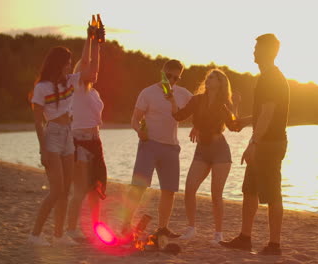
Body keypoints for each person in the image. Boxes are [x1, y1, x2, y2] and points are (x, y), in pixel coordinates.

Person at [28, 25, 100, 246]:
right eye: (67, 62)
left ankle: (58, 236)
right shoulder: (42, 87)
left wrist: (93, 40)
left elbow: (91, 69)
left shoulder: (69, 81)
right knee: (56, 190)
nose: (70, 65)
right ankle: (35, 235)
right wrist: (43, 149)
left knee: (66, 190)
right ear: (58, 63)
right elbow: (38, 122)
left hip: (69, 136)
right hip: (52, 136)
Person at [219, 33, 290, 255]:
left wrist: (254, 143)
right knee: (250, 191)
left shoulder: (273, 78)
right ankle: (245, 238)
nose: (253, 52)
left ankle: (274, 245)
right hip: (264, 142)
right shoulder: (267, 77)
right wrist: (244, 121)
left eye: (257, 48)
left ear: (268, 52)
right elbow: (264, 113)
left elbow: (269, 113)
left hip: (269, 144)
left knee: (272, 194)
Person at [121, 59, 192, 238]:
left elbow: (198, 108)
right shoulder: (148, 93)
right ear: (162, 73)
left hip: (171, 147)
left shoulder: (183, 94)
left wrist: (198, 126)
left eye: (176, 78)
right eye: (168, 76)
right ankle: (126, 224)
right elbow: (134, 120)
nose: (172, 80)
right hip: (149, 145)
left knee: (169, 190)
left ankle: (163, 228)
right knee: (139, 187)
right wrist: (139, 131)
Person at [166, 69, 236, 243]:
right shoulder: (197, 100)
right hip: (202, 150)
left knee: (216, 194)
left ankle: (218, 234)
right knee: (189, 188)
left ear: (221, 83)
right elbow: (178, 116)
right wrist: (172, 100)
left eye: (213, 78)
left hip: (220, 149)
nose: (209, 80)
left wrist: (236, 108)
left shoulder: (224, 103)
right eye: (208, 77)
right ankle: (191, 229)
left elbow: (233, 125)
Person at [66, 20, 105, 242]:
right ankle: (72, 229)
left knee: (95, 189)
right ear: (81, 72)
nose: (94, 71)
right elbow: (90, 62)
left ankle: (96, 229)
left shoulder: (93, 92)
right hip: (79, 142)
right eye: (89, 69)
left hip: (95, 140)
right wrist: (90, 39)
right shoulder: (77, 88)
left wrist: (98, 43)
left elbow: (95, 64)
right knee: (80, 190)